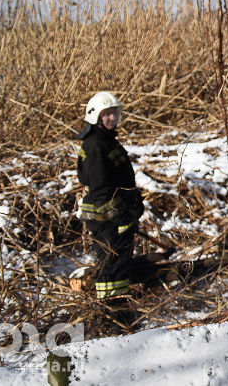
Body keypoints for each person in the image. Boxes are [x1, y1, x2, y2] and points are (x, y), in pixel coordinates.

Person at [76, 91, 144, 300]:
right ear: (96, 116)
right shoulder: (97, 145)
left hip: (112, 217)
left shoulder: (104, 140)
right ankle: (113, 309)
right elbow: (100, 190)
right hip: (108, 219)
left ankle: (117, 302)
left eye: (115, 114)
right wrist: (121, 217)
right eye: (107, 114)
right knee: (112, 265)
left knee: (118, 263)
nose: (112, 119)